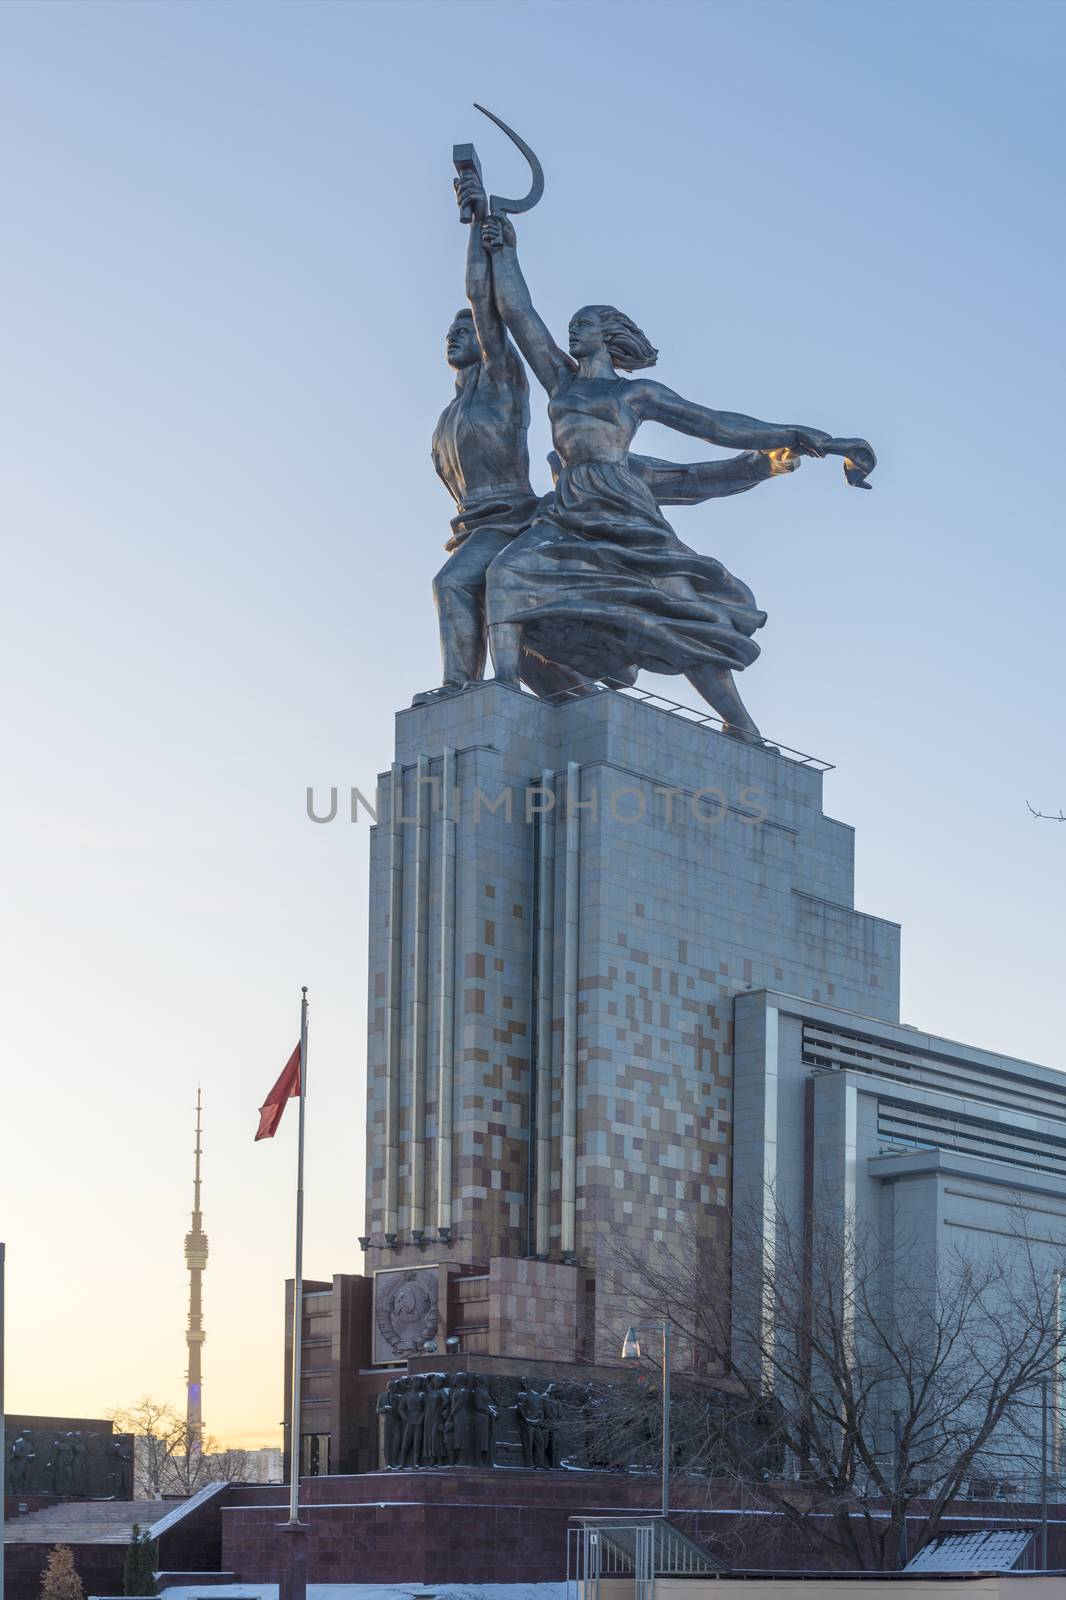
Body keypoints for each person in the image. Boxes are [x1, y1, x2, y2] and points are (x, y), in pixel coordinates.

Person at [480, 212, 875, 744]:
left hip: (622, 507)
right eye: (572, 323)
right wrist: (502, 248)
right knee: (507, 574)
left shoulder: (634, 395)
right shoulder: (560, 380)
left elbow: (716, 425)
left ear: (609, 335)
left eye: (585, 322)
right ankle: (502, 687)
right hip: (569, 506)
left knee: (676, 607)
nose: (573, 328)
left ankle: (740, 722)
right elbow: (518, 311)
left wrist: (810, 436)